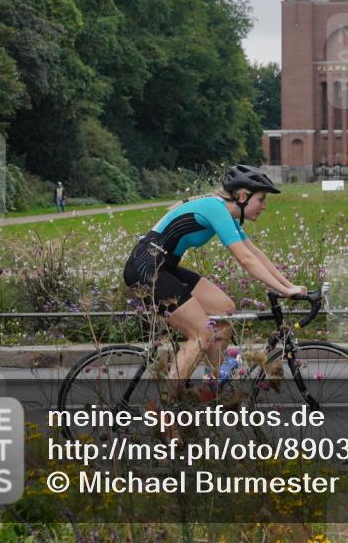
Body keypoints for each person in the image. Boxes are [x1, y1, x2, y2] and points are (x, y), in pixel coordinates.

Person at [122, 164, 306, 399]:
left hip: (163, 267)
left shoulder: (226, 214)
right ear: (242, 196)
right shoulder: (215, 209)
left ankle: (214, 385)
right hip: (144, 269)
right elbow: (246, 260)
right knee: (201, 333)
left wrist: (288, 286)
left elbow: (255, 253)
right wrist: (285, 289)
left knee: (224, 309)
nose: (264, 205)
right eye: (261, 199)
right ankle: (163, 411)